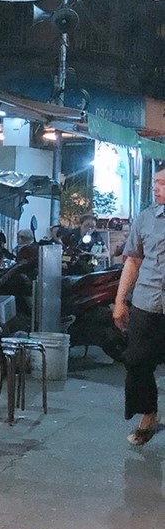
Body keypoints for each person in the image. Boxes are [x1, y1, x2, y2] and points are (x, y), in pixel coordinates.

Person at [114, 166, 165, 446]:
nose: (155, 187)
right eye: (155, 182)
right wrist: (121, 301)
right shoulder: (146, 219)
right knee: (136, 361)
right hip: (147, 302)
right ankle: (148, 415)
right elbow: (132, 260)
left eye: (162, 183)